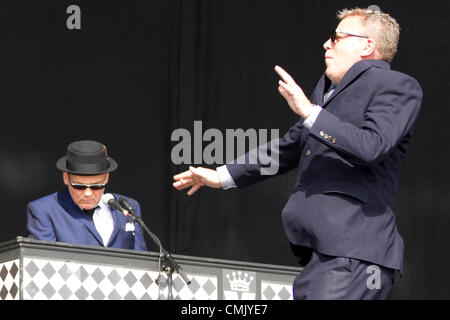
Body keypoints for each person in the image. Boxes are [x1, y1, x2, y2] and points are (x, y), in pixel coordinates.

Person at [173, 8, 423, 299]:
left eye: (337, 37)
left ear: (368, 45)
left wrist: (310, 112)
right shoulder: (328, 93)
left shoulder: (395, 85)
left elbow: (372, 146)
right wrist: (222, 175)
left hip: (355, 252)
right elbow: (289, 147)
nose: (326, 44)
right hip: (327, 254)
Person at [27, 140, 147, 251]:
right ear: (65, 178)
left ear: (107, 178)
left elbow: (141, 262)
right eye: (79, 186)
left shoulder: (128, 207)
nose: (88, 193)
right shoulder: (44, 210)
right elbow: (45, 265)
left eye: (96, 186)